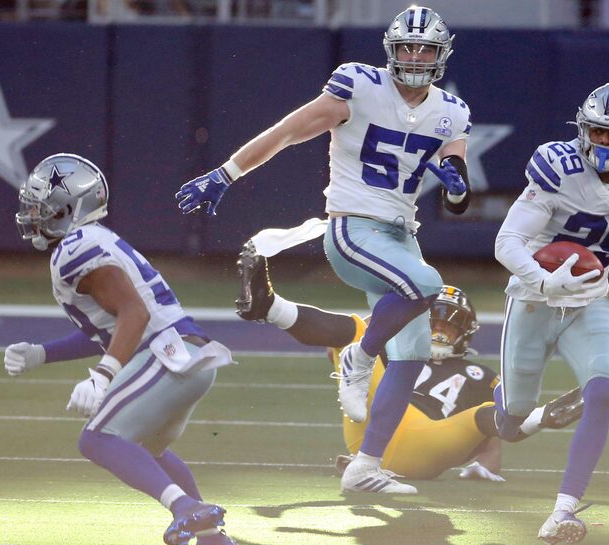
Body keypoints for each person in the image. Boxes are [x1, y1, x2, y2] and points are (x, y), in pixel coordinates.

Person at [176, 6, 472, 494]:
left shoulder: (452, 111)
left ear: (442, 55)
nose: (416, 57)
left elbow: (458, 195)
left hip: (402, 237)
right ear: (391, 50)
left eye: (426, 49)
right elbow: (289, 131)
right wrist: (226, 173)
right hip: (354, 228)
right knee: (428, 285)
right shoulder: (358, 85)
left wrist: (456, 184)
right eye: (408, 47)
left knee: (414, 355)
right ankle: (359, 353)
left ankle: (365, 467)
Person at [4, 153, 239, 545]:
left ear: (68, 208)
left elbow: (135, 313)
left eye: (43, 207)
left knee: (97, 439)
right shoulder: (88, 241)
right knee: (147, 450)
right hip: (187, 353)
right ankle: (213, 542)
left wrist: (101, 377)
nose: (33, 214)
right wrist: (43, 354)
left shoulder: (74, 249)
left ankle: (185, 509)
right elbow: (112, 326)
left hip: (166, 355)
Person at [494, 82, 609, 545]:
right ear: (583, 129)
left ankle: (562, 511)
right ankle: (528, 415)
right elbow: (506, 242)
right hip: (534, 299)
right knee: (513, 421)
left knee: (602, 390)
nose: (604, 143)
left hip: (589, 300)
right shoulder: (557, 169)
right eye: (597, 132)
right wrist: (543, 280)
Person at [234, 239, 585, 482]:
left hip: (433, 439)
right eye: (435, 323)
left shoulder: (480, 375)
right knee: (357, 335)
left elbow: (495, 430)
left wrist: (483, 468)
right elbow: (335, 347)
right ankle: (269, 306)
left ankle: (542, 416)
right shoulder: (397, 348)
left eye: (449, 326)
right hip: (375, 430)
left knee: (483, 415)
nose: (440, 333)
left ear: (466, 332)